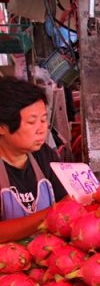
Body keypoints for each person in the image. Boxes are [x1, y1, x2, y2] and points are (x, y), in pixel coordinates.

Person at [0, 76, 68, 243]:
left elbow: (67, 202)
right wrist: (51, 214)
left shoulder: (45, 156)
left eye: (44, 120)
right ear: (2, 127)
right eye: (32, 122)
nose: (42, 129)